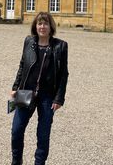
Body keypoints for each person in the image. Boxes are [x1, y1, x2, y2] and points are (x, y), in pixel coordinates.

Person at [10, 12, 69, 165]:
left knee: (43, 135)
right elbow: (22, 65)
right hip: (26, 92)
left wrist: (59, 98)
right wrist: (15, 87)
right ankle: (16, 161)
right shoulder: (28, 41)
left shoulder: (60, 46)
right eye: (39, 23)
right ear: (35, 26)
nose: (42, 27)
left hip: (47, 96)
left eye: (45, 24)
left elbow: (63, 74)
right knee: (16, 130)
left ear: (51, 27)